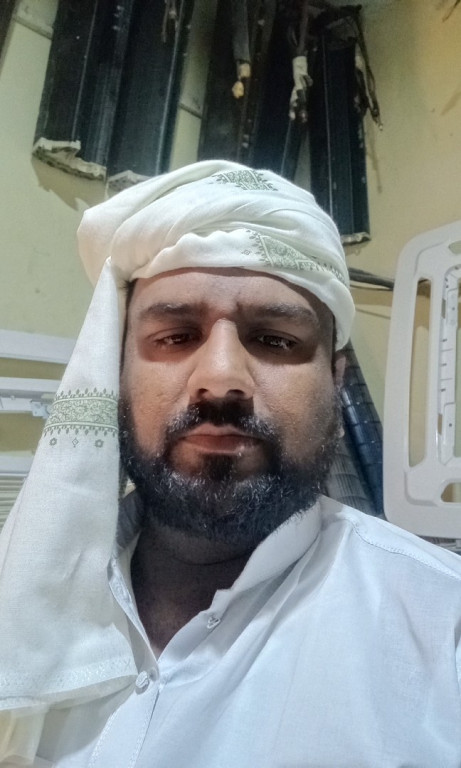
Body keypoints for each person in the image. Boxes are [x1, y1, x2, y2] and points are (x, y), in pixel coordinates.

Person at [1, 160, 461, 768]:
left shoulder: (444, 633)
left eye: (275, 339)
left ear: (335, 380)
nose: (220, 380)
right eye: (175, 336)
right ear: (114, 371)